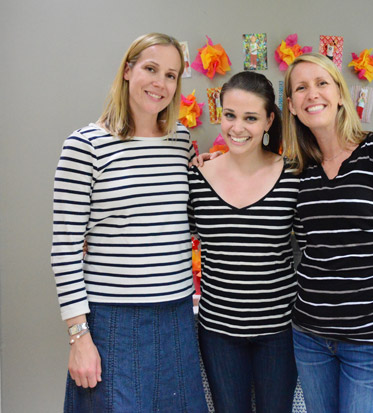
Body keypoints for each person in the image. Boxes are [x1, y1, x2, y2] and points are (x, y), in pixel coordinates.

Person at [51, 33, 208, 412]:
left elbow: (184, 221)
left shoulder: (180, 142)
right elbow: (65, 248)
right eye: (151, 69)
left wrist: (210, 175)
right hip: (112, 321)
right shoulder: (85, 145)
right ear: (127, 70)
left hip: (176, 316)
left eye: (171, 75)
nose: (161, 83)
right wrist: (79, 338)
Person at [282, 53, 373, 413]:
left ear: (340, 94)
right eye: (301, 88)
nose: (312, 94)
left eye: (321, 83)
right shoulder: (298, 170)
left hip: (372, 339)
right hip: (310, 334)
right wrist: (208, 160)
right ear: (292, 106)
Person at [188, 71, 300, 412]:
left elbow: (322, 237)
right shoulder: (196, 176)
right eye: (230, 115)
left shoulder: (293, 175)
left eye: (250, 118)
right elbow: (164, 234)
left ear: (268, 121)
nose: (237, 128)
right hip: (218, 330)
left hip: (279, 331)